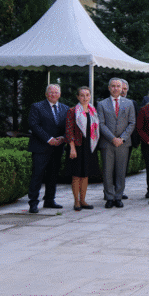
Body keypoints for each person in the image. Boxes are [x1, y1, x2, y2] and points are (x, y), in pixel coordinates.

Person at [27, 84, 69, 213]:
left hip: (57, 147)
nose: (53, 94)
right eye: (51, 92)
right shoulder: (37, 107)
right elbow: (34, 125)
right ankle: (33, 203)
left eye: (56, 92)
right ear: (46, 94)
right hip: (41, 147)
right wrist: (49, 139)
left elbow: (68, 127)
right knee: (37, 176)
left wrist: (63, 138)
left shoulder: (65, 108)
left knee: (53, 175)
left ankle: (49, 200)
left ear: (60, 94)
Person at [98, 78, 136, 209]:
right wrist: (112, 138)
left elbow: (132, 122)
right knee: (107, 171)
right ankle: (109, 197)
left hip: (123, 144)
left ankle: (118, 197)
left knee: (121, 171)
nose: (115, 88)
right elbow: (101, 124)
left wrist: (122, 138)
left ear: (122, 88)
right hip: (107, 143)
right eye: (113, 86)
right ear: (109, 88)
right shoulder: (102, 104)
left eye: (118, 86)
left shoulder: (129, 103)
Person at [64, 86, 100, 211]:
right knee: (76, 175)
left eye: (87, 95)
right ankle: (76, 202)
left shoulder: (93, 111)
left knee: (85, 175)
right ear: (78, 97)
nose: (85, 98)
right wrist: (72, 148)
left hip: (89, 146)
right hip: (77, 146)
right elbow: (68, 131)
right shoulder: (72, 111)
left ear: (90, 96)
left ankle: (83, 200)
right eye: (82, 95)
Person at [119, 79, 137, 200]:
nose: (123, 91)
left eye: (125, 89)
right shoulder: (106, 103)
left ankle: (120, 190)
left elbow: (134, 122)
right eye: (122, 88)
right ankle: (109, 191)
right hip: (112, 140)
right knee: (110, 168)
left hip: (127, 140)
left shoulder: (132, 103)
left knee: (123, 167)